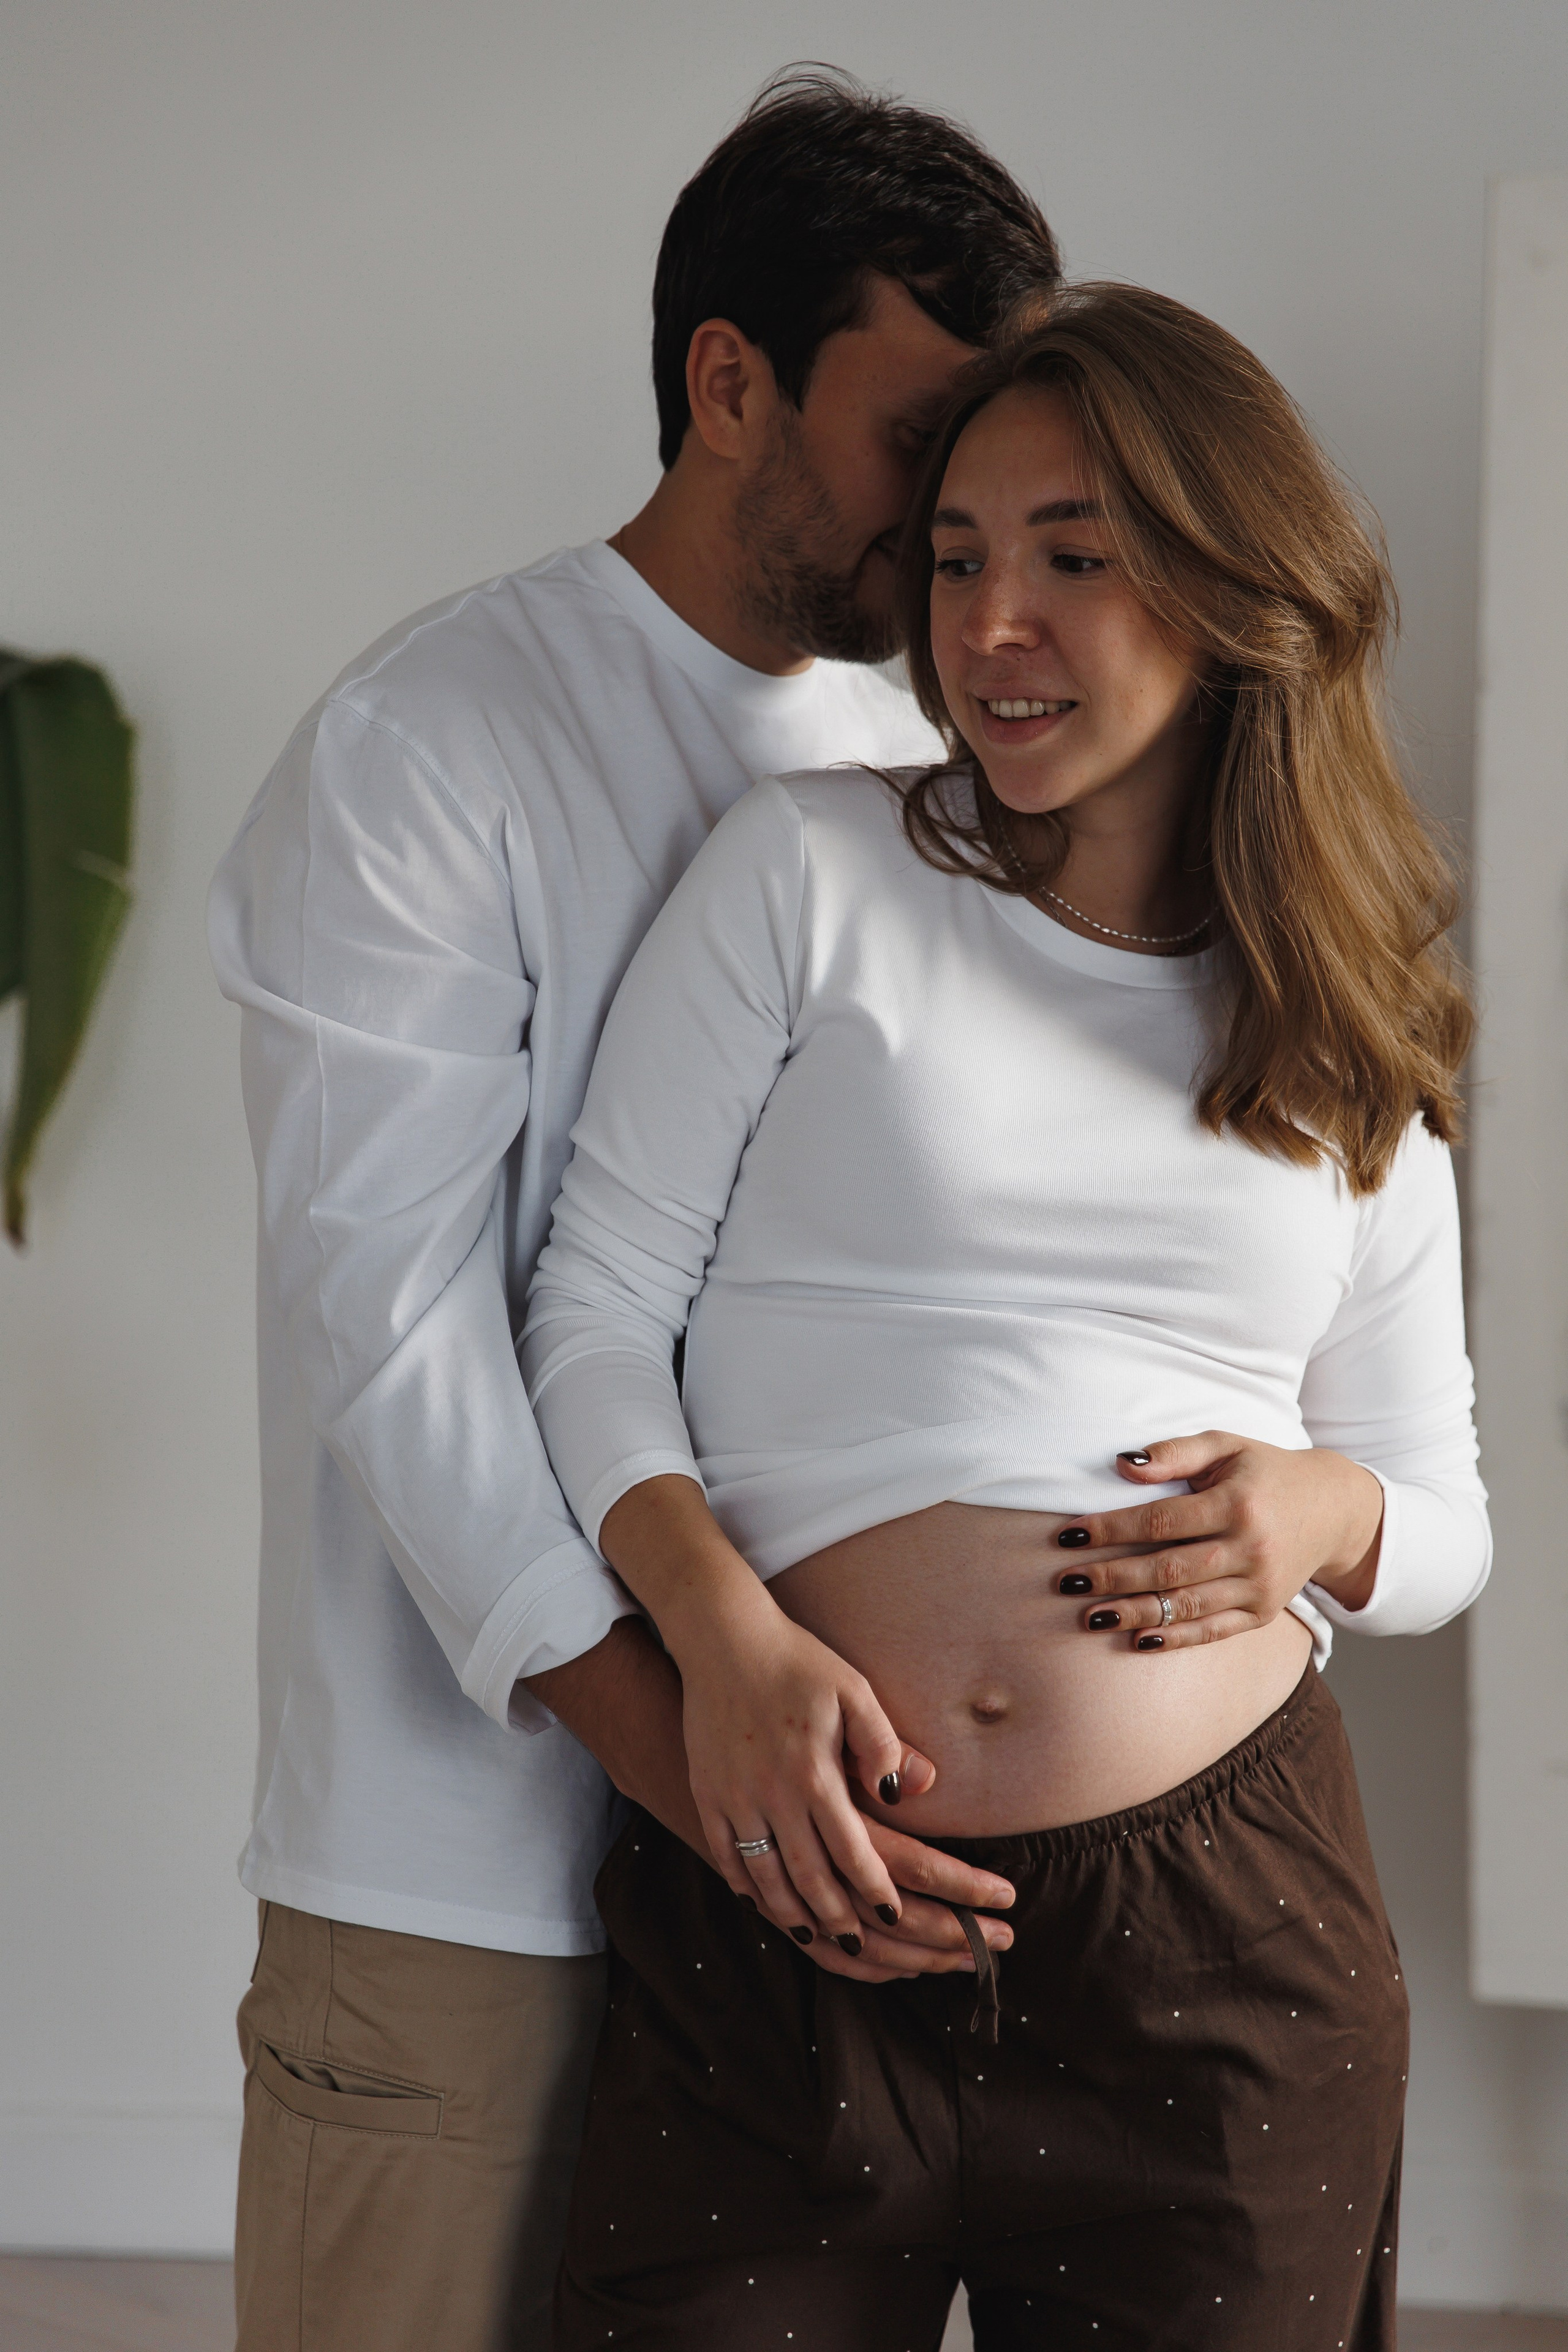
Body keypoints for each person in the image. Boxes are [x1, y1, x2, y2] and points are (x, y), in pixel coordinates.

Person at [522, 284, 1492, 2349]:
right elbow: (592, 1308)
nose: (990, 625)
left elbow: (1444, 1521)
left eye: (1076, 556)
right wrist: (725, 1642)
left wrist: (1321, 1517)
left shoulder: (1342, 1029)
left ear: (1233, 585)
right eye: (959, 557)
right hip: (786, 1903)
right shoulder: (809, 872)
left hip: (1219, 1960)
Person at [206, 69, 1062, 2352]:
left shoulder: (931, 784)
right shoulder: (434, 746)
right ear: (727, 386)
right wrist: (709, 1774)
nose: (961, 518)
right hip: (477, 1877)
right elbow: (398, 1336)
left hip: (802, 1891)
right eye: (919, 442)